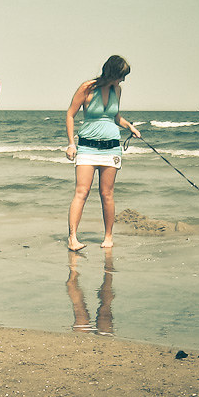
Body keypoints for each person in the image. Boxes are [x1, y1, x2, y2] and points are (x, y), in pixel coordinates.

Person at [64, 55, 141, 251]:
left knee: (107, 194)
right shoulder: (87, 88)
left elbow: (114, 117)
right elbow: (70, 114)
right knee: (81, 192)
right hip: (87, 147)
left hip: (111, 148)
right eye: (121, 76)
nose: (123, 80)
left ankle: (108, 237)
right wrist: (71, 144)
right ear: (113, 73)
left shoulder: (117, 90)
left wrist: (129, 126)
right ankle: (73, 237)